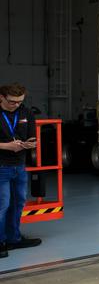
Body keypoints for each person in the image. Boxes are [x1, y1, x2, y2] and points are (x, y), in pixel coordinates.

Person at [0, 83, 41, 257]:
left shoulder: (26, 112)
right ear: (1, 97)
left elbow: (32, 136)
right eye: (12, 102)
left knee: (18, 203)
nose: (16, 105)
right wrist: (6, 146)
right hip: (1, 166)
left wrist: (30, 143)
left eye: (19, 102)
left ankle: (14, 238)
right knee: (3, 204)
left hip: (19, 165)